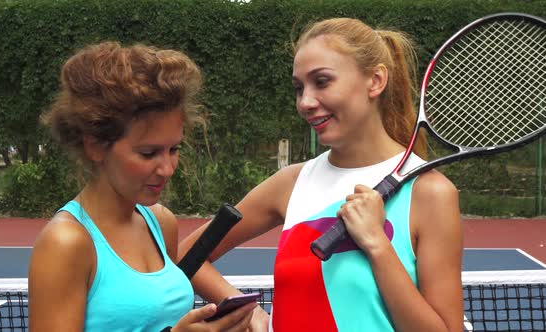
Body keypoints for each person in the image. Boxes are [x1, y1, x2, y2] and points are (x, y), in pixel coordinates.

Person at [179, 18, 463, 332]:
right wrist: (250, 312)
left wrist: (377, 244)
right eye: (299, 88)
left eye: (322, 82)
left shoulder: (431, 193)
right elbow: (188, 255)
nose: (305, 102)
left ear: (376, 81)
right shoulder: (289, 183)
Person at [28, 41, 256, 332]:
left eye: (174, 149)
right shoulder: (66, 243)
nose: (168, 168)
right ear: (96, 146)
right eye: (148, 153)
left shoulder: (161, 222)